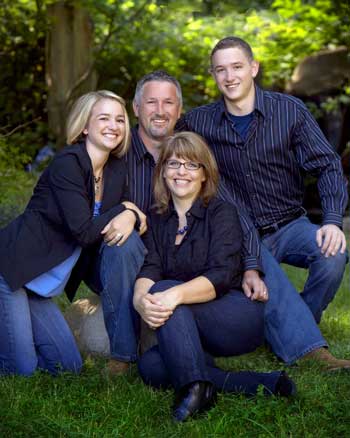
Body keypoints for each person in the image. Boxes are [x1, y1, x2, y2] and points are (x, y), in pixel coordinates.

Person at [128, 70, 350, 370]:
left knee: (332, 256)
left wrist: (333, 220)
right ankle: (300, 341)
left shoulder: (284, 111)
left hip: (282, 223)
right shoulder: (139, 143)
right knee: (259, 260)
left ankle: (299, 332)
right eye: (151, 102)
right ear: (136, 107)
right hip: (212, 236)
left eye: (168, 103)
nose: (160, 110)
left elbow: (326, 164)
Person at [134, 132, 296, 422]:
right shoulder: (157, 219)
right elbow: (150, 268)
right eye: (173, 164)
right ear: (163, 173)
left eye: (191, 165)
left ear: (205, 175)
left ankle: (194, 387)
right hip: (187, 324)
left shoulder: (222, 212)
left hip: (233, 316)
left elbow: (221, 275)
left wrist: (171, 295)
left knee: (167, 288)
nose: (181, 172)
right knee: (151, 366)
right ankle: (254, 383)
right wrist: (140, 301)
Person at [0, 90, 146, 376]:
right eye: (103, 118)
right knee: (23, 370)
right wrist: (126, 208)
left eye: (119, 119)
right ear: (84, 126)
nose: (113, 126)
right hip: (11, 273)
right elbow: (84, 232)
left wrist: (129, 211)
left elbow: (124, 222)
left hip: (36, 290)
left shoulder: (115, 170)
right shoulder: (67, 164)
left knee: (68, 368)